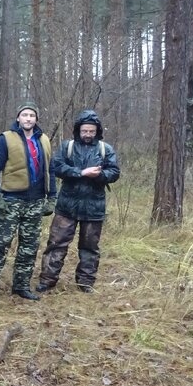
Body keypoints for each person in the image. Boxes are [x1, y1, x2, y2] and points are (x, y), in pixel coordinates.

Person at [37, 109, 121, 293]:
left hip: (94, 207)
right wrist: (80, 173)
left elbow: (115, 172)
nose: (88, 135)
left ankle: (85, 283)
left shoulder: (105, 150)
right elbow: (57, 167)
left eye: (91, 131)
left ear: (97, 131)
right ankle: (47, 280)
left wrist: (99, 175)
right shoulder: (68, 146)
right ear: (78, 130)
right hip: (66, 206)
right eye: (85, 131)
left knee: (90, 247)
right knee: (56, 243)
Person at [0, 100, 57, 303]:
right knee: (1, 242)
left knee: (29, 245)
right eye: (25, 115)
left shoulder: (45, 140)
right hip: (11, 199)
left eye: (32, 115)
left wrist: (52, 197)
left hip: (36, 200)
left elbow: (51, 170)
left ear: (36, 119)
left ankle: (21, 286)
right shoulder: (6, 139)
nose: (28, 119)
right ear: (18, 118)